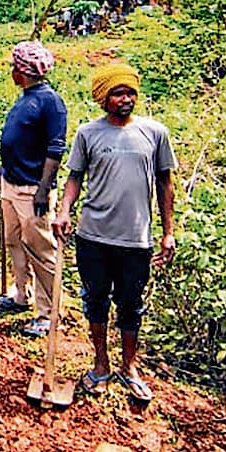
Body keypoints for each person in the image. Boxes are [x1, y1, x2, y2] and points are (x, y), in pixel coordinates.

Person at [52, 63, 176, 401]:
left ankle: (129, 367)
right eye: (118, 93)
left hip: (136, 238)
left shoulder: (155, 133)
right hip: (93, 235)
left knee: (131, 304)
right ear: (103, 98)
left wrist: (168, 231)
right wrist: (64, 212)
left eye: (130, 92)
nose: (126, 99)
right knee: (95, 300)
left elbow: (165, 182)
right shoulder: (88, 134)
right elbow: (75, 177)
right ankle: (101, 364)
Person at [0, 42, 67, 338]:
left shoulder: (50, 102)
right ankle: (21, 295)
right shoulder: (25, 98)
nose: (11, 72)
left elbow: (55, 148)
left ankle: (48, 313)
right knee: (14, 242)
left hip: (32, 188)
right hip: (11, 183)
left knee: (41, 250)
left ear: (23, 71)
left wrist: (43, 190)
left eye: (14, 68)